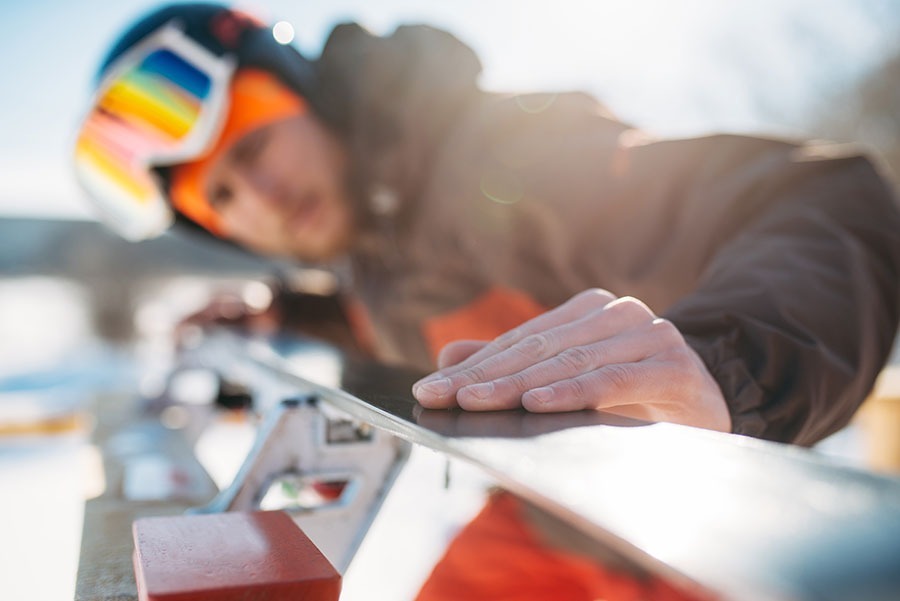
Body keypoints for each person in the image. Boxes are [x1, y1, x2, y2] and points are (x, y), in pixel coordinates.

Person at [73, 3, 900, 598]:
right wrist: (292, 319)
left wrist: (729, 358)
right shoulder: (372, 247)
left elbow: (822, 199)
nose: (259, 192)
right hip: (547, 520)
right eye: (223, 192)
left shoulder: (503, 161)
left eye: (255, 143)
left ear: (310, 96)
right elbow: (415, 311)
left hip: (701, 537)